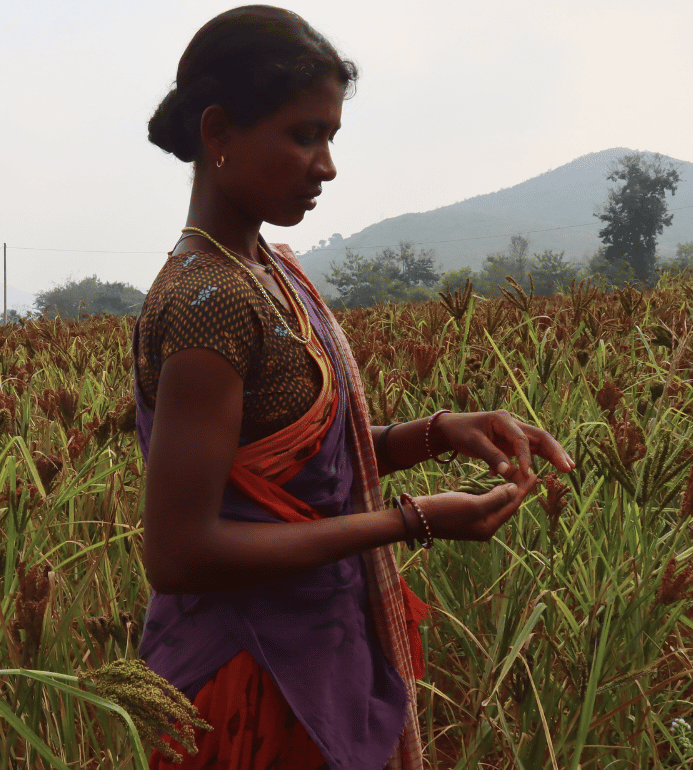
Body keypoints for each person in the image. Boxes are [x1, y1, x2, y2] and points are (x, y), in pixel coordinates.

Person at [133, 7, 575, 769]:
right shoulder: (213, 302)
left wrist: (439, 432)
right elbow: (180, 552)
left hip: (305, 655)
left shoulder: (269, 273)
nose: (327, 164)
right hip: (252, 686)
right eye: (305, 135)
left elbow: (296, 467)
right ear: (218, 134)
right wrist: (411, 522)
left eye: (332, 137)